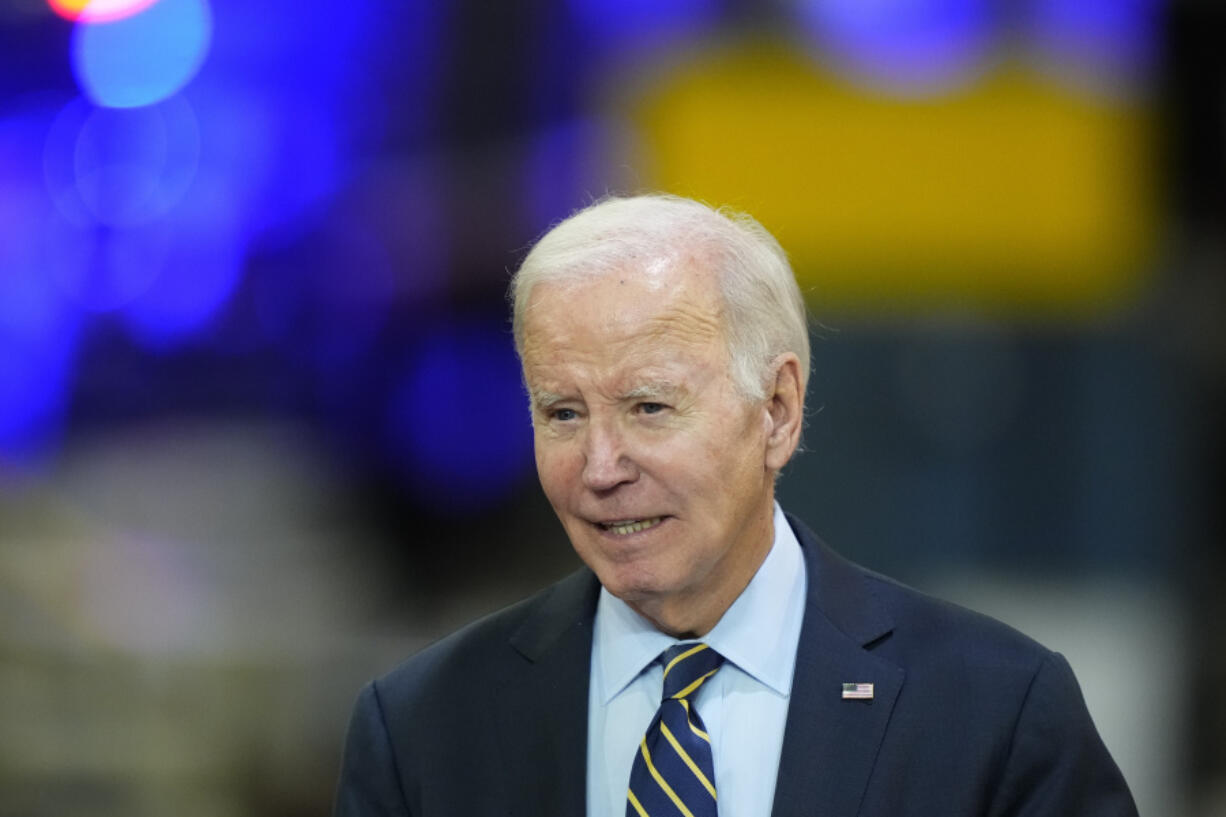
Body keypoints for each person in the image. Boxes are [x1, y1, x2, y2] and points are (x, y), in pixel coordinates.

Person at [333, 194, 1138, 816]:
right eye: (563, 414)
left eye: (650, 407)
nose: (600, 467)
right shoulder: (423, 731)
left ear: (778, 410)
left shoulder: (993, 714)